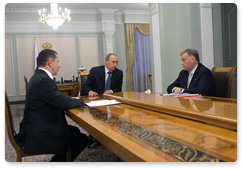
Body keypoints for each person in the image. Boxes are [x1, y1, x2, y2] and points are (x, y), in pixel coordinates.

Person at [16, 49, 89, 162]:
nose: (59, 65)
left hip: (36, 125)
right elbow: (65, 103)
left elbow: (57, 98)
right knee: (81, 139)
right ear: (50, 62)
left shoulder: (38, 77)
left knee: (74, 132)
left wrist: (69, 99)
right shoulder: (43, 80)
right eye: (58, 62)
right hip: (38, 132)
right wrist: (83, 100)